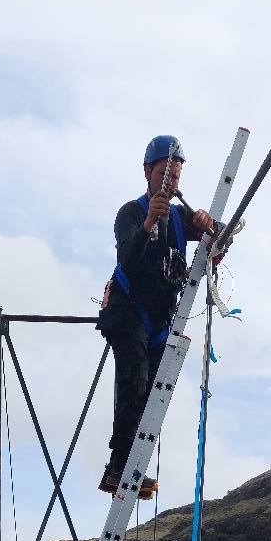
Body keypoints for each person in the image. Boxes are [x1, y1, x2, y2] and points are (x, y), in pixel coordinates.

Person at [97, 135, 217, 497]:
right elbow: (127, 258)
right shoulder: (131, 213)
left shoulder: (180, 217)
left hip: (161, 317)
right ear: (148, 172)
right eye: (164, 173)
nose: (169, 181)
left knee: (151, 394)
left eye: (175, 176)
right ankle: (119, 466)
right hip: (129, 309)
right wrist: (149, 220)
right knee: (134, 379)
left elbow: (220, 236)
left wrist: (208, 223)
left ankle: (131, 466)